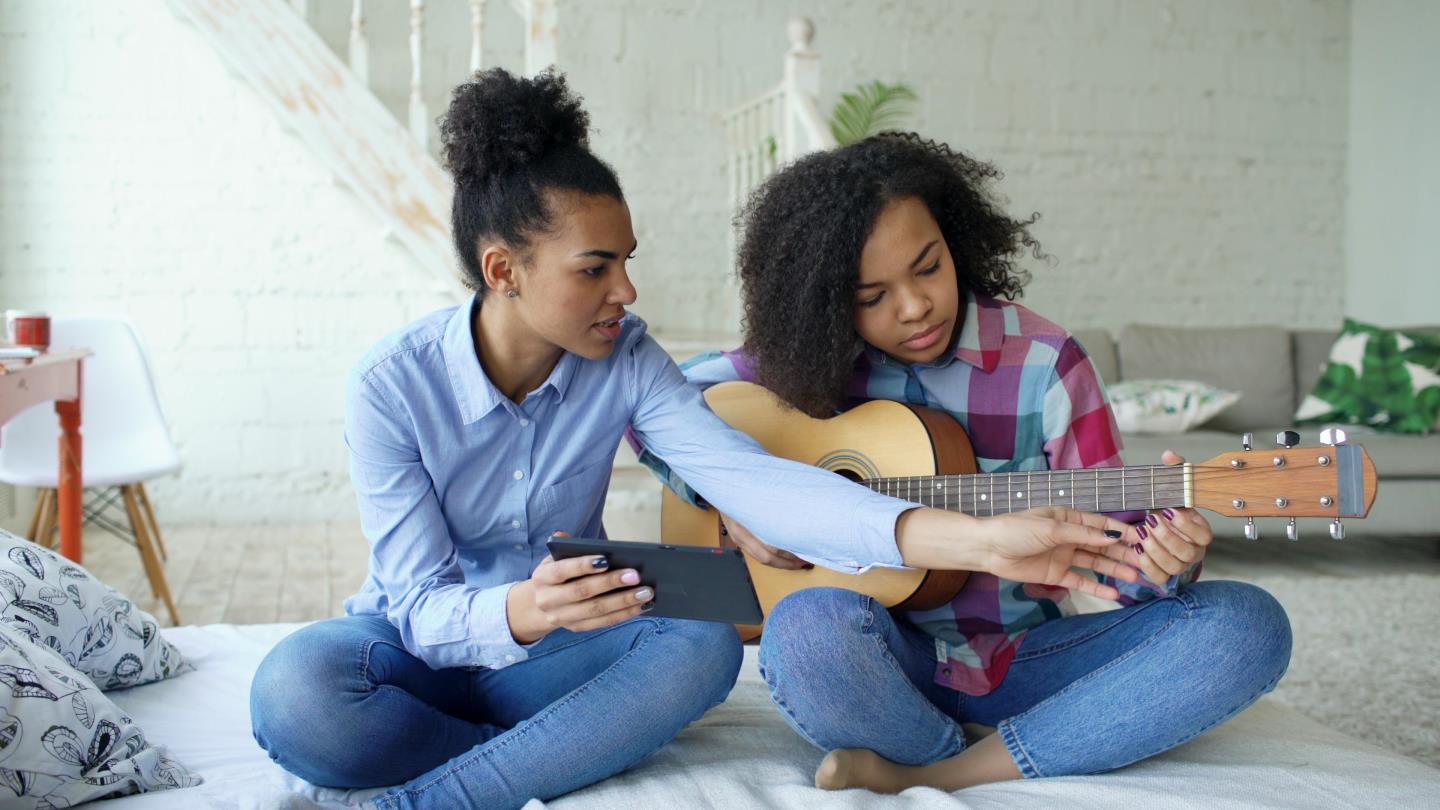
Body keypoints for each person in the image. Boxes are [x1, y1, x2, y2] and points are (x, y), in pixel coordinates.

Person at [247, 73, 1140, 810]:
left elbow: (766, 485)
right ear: (503, 272)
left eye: (627, 259)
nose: (626, 290)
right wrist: (523, 610)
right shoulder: (391, 387)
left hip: (564, 661)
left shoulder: (627, 363)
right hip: (422, 656)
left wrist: (985, 540)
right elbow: (412, 607)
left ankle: (432, 798)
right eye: (596, 269)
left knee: (702, 646)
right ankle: (524, 759)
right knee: (297, 697)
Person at [633, 132, 1293, 792]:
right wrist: (736, 499)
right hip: (883, 660)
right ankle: (1002, 748)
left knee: (1247, 626)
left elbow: (1119, 569)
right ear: (827, 302)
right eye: (872, 296)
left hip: (1025, 658)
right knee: (804, 632)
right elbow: (646, 406)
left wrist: (1164, 561)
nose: (915, 306)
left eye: (928, 267)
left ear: (956, 240)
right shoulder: (800, 363)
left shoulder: (1045, 366)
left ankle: (946, 770)